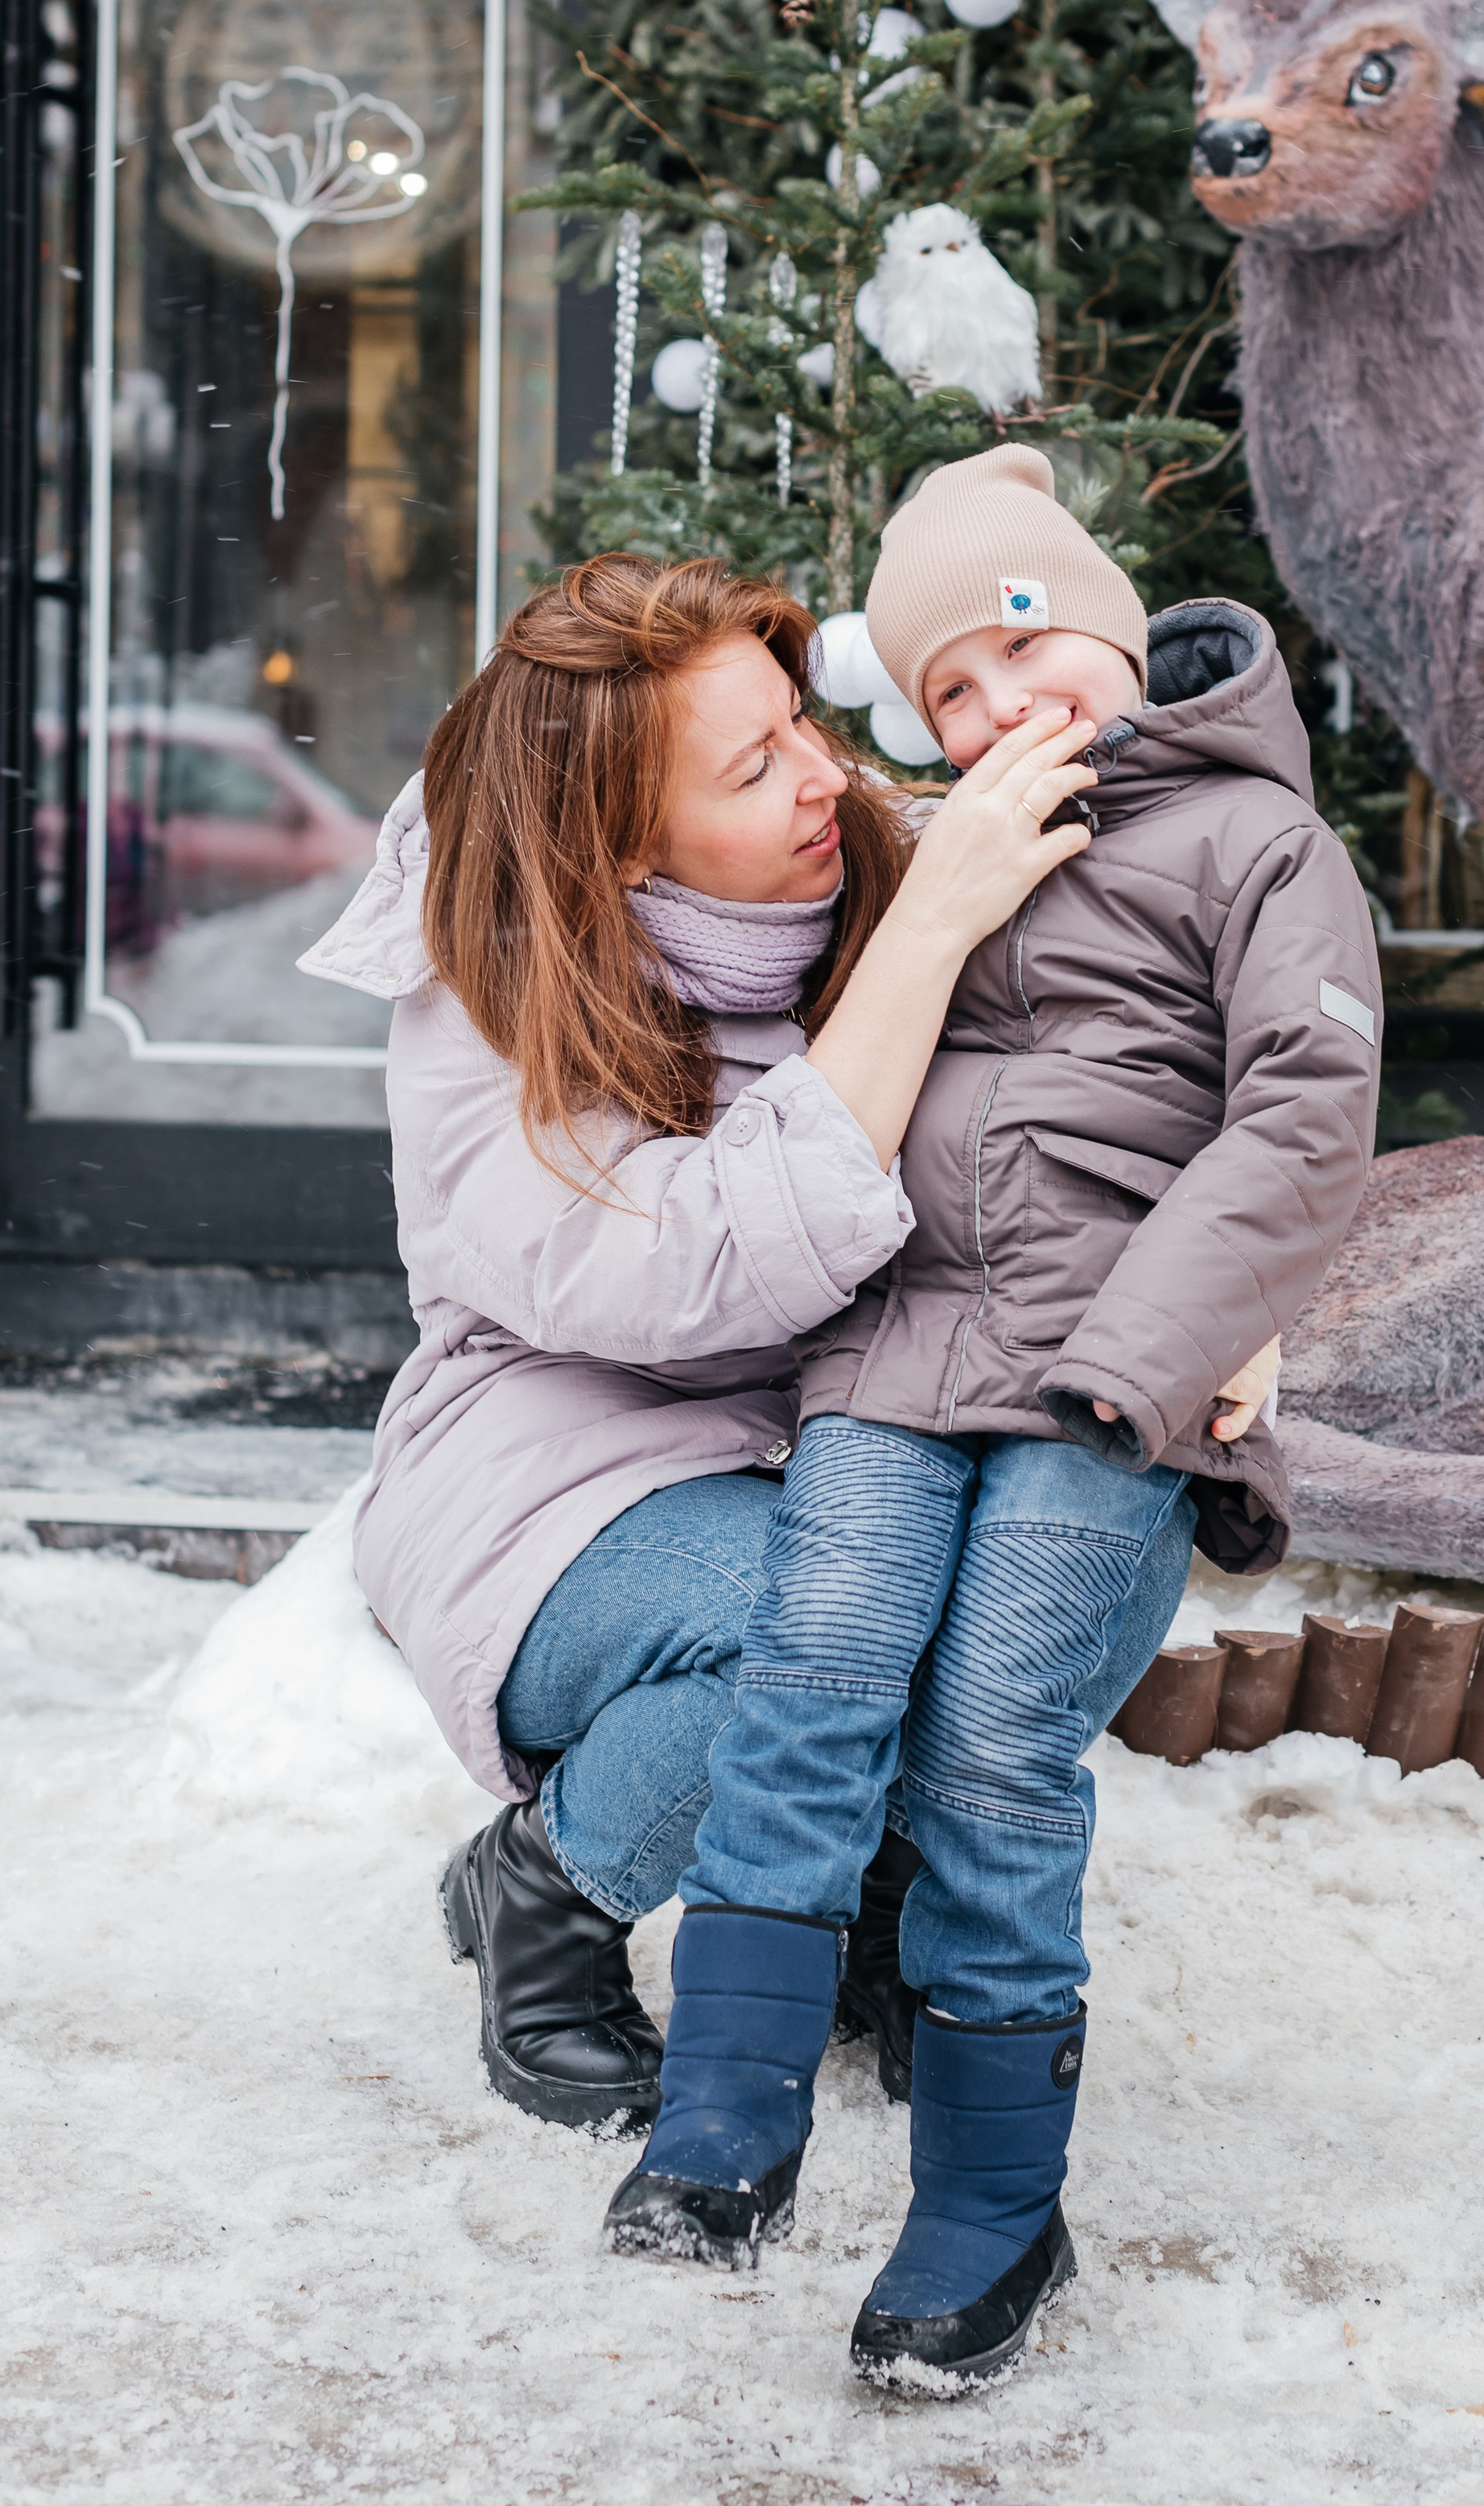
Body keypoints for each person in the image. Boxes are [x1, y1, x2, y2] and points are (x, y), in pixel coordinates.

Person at [602, 447, 1384, 2394]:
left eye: (1027, 644)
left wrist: (1175, 1341)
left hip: (1113, 1368)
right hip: (895, 1344)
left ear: (1112, 636)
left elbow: (1300, 1116)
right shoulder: (927, 841)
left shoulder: (1261, 848)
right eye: (947, 686)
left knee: (988, 1735)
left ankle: (989, 2201)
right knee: (818, 1667)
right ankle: (725, 2112)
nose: (998, 703)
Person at [297, 553, 1203, 2137]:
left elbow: (1158, 913)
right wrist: (926, 938)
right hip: (561, 1463)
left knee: (1057, 1549)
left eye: (799, 722)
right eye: (752, 763)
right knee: (812, 1621)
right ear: (622, 843)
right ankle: (549, 1890)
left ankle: (884, 1900)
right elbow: (686, 1268)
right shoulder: (490, 999)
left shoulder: (856, 844)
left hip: (846, 1424)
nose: (822, 775)